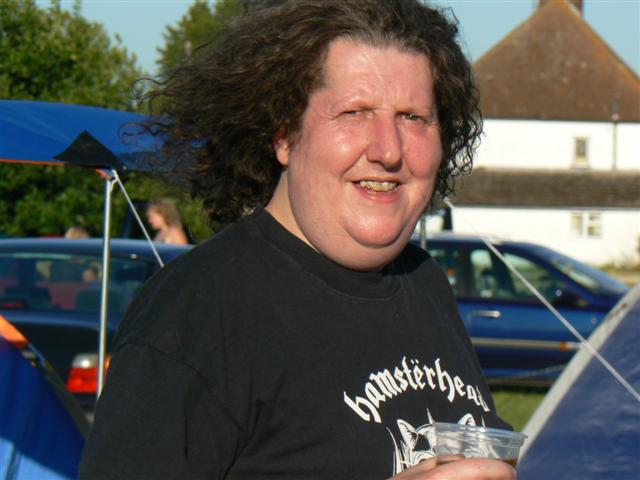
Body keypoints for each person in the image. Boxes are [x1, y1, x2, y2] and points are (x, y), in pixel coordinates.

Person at [79, 1, 515, 479]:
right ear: (285, 136)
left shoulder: (424, 281)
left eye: (413, 117)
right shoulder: (198, 311)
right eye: (354, 112)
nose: (389, 150)